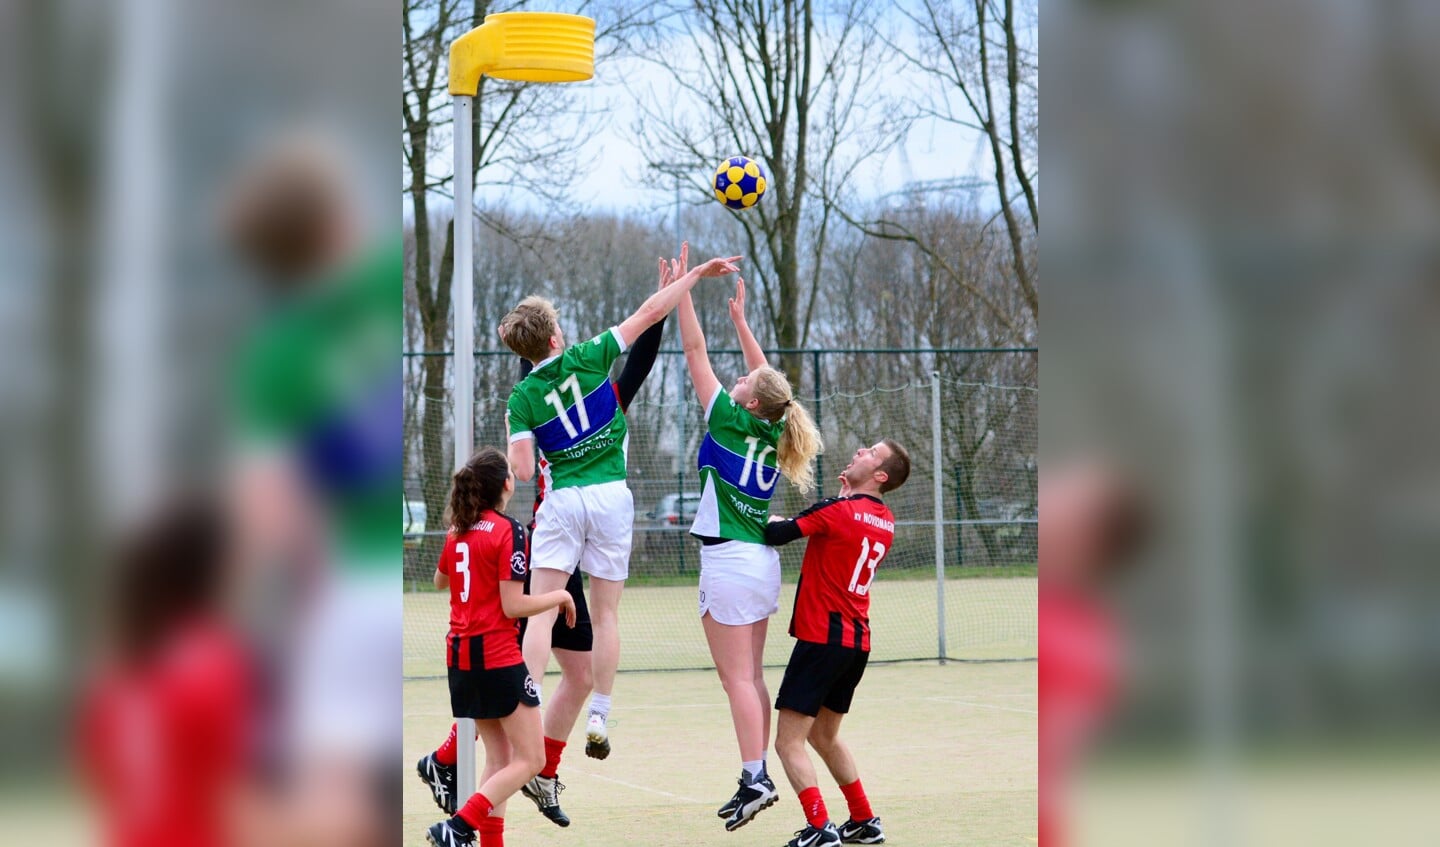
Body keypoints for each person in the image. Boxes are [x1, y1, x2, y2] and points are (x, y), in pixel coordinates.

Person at [501, 250, 741, 768]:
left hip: (562, 501)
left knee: (541, 611)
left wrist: (524, 435)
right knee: (606, 614)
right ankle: (600, 716)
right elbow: (649, 314)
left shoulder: (521, 397)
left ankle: (526, 698)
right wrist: (691, 277)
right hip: (612, 496)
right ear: (555, 338)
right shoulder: (589, 356)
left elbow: (521, 471)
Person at [670, 243, 824, 831]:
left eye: (743, 382)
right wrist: (741, 321)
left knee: (737, 680)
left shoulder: (729, 418)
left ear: (749, 401)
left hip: (731, 563)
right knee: (752, 677)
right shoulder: (774, 424)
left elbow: (693, 349)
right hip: (759, 563)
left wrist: (682, 288)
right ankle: (753, 771)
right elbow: (772, 385)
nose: (733, 380)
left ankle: (754, 776)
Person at [512, 299, 668, 825]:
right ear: (556, 338)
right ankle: (449, 757)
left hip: (561, 521)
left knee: (569, 667)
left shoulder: (548, 395)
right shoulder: (596, 382)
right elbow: (639, 352)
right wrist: (665, 302)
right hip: (589, 515)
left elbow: (637, 361)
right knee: (597, 625)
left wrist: (660, 313)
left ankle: (544, 768)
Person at [423, 448, 578, 847]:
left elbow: (440, 581)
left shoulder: (459, 528)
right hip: (496, 657)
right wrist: (559, 596)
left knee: (499, 759)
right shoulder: (509, 531)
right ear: (506, 484)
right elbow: (513, 605)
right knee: (533, 761)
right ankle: (458, 826)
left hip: (460, 659)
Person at [762, 440, 912, 846]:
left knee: (788, 741)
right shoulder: (886, 519)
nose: (861, 450)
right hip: (856, 643)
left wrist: (778, 516)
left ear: (880, 476)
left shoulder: (838, 510)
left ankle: (818, 827)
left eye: (871, 453)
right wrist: (845, 497)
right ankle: (863, 820)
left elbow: (776, 533)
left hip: (822, 641)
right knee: (824, 737)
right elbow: (846, 529)